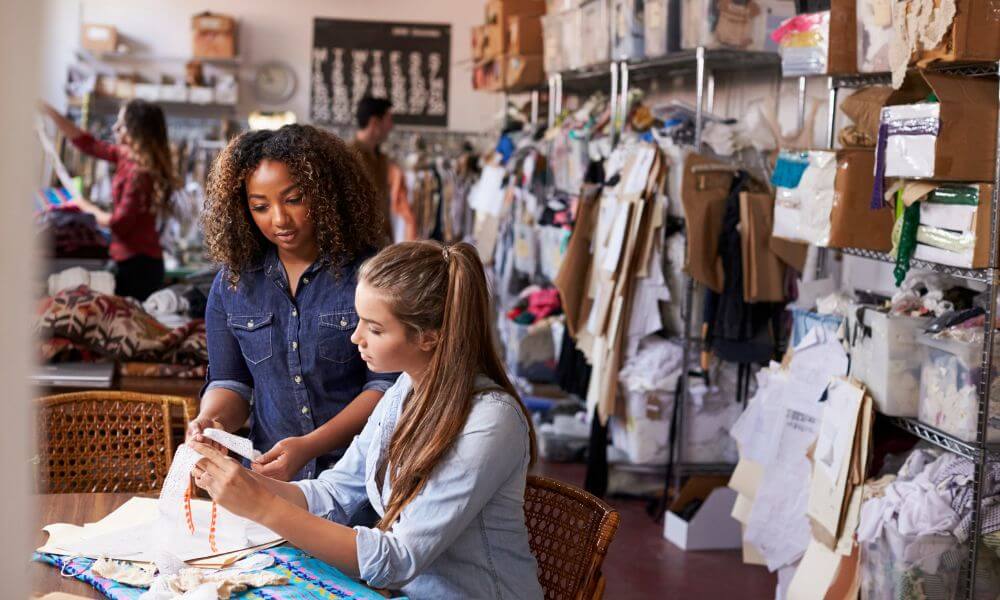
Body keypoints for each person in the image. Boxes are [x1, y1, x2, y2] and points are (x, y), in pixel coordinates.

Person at [190, 241, 544, 599]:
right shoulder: (405, 390)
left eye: (374, 328)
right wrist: (235, 480)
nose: (355, 337)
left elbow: (397, 558)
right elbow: (334, 492)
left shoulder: (490, 420)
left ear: (429, 337)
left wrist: (261, 506)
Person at [190, 124, 396, 482]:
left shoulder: (370, 274)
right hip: (270, 481)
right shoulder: (234, 282)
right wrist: (213, 421)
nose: (279, 220)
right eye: (260, 206)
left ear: (325, 193)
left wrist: (309, 446)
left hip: (358, 481)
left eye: (293, 200)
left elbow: (386, 387)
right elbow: (231, 382)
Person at [40, 99, 175, 301]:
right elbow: (88, 144)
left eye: (121, 125)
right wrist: (50, 111)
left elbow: (119, 224)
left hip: (139, 267)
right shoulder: (126, 157)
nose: (114, 128)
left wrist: (86, 207)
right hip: (134, 262)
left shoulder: (139, 174)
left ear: (135, 132)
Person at [351, 96, 394, 243]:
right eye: (389, 120)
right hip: (357, 245)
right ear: (375, 122)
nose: (391, 126)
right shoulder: (348, 156)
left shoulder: (381, 158)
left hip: (379, 243)